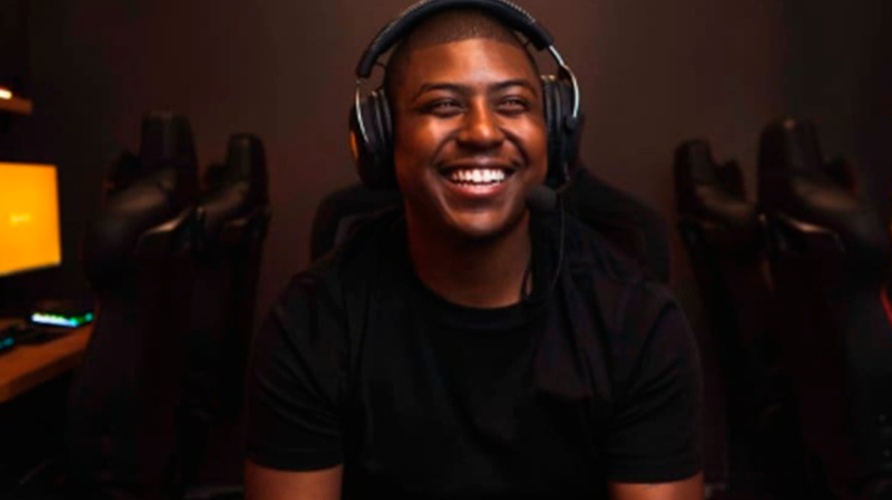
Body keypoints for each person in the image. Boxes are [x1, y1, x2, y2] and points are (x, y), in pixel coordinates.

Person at [244, 1, 703, 498]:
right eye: (444, 105)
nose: (482, 132)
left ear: (553, 131)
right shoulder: (310, 325)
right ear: (380, 138)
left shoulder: (638, 323)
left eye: (512, 104)